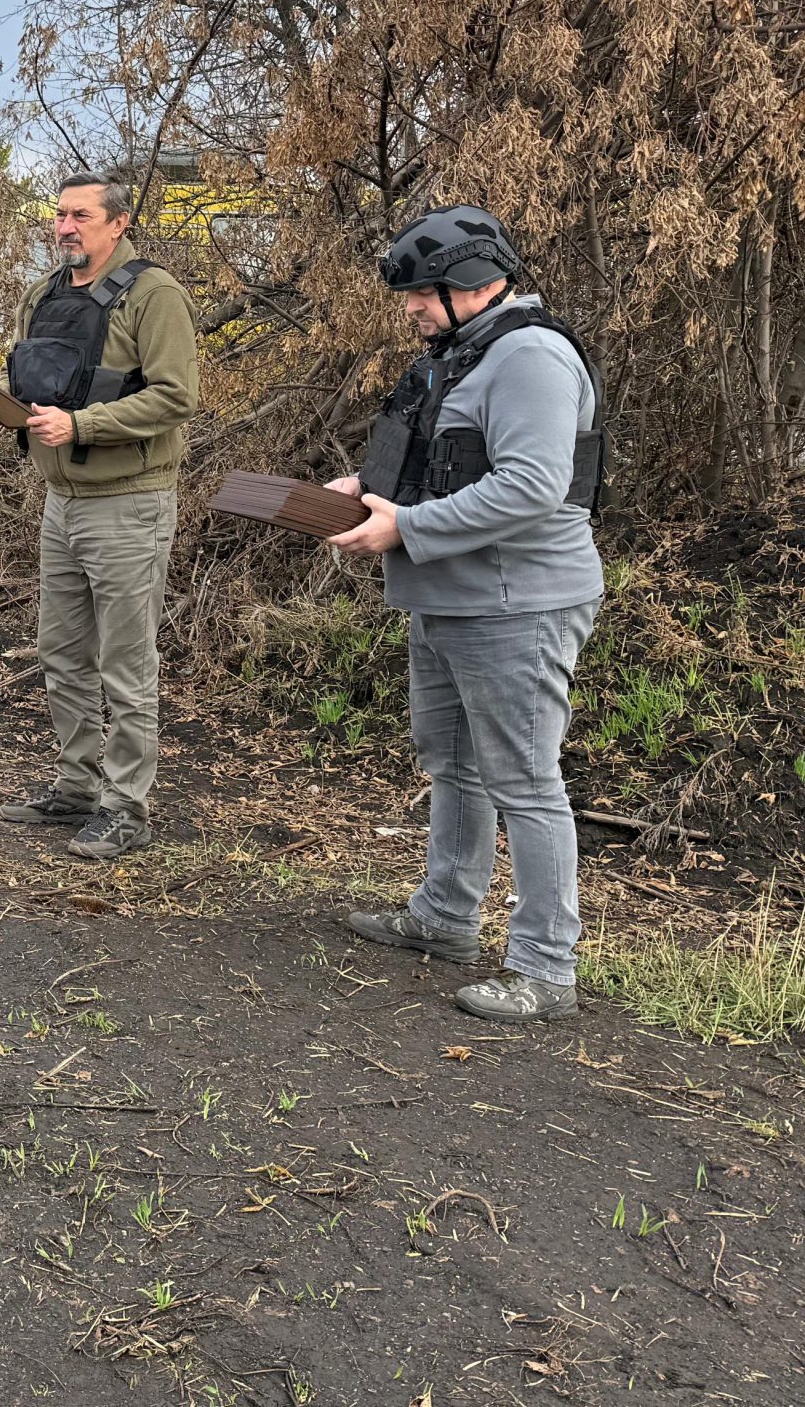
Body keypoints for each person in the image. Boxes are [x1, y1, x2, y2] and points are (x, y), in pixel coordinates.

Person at [327, 206, 605, 1023]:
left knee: (526, 783)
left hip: (518, 605)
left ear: (479, 282)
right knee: (455, 767)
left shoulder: (530, 357)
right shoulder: (458, 356)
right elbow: (444, 469)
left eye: (425, 291)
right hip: (449, 600)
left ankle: (546, 969)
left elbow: (531, 485)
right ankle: (444, 919)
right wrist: (362, 493)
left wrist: (404, 527)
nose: (412, 306)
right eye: (410, 293)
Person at [0, 174, 199, 861]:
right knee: (63, 656)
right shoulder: (46, 294)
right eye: (59, 215)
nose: (65, 226)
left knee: (125, 664)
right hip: (61, 503)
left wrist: (83, 426)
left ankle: (127, 809)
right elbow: (45, 394)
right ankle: (76, 788)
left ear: (118, 223)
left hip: (129, 503)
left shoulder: (155, 295)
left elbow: (178, 397)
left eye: (81, 215)